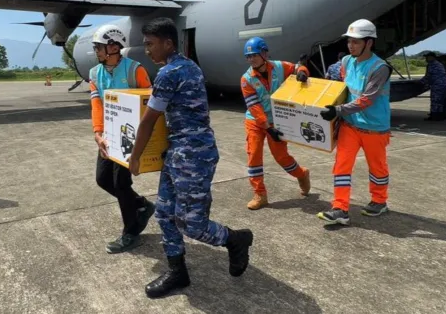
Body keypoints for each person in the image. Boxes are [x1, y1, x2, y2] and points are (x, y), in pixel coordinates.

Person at [127, 17, 254, 299]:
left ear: (167, 43)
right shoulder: (189, 66)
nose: (147, 50)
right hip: (179, 151)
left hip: (193, 156)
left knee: (192, 224)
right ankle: (178, 271)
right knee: (164, 213)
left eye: (150, 44)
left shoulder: (169, 73)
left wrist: (134, 158)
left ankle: (235, 239)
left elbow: (149, 120)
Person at [88, 24, 156, 254]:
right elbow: (96, 105)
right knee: (103, 179)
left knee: (120, 184)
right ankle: (142, 205)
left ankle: (131, 232)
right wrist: (98, 133)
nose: (96, 51)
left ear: (114, 46)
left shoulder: (134, 71)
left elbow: (150, 102)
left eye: (99, 47)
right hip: (108, 135)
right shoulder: (94, 73)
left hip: (130, 135)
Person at [316, 19, 392, 226]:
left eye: (356, 42)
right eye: (349, 41)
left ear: (369, 42)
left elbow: (367, 99)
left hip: (374, 128)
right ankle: (340, 208)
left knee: (377, 168)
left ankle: (379, 201)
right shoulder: (347, 62)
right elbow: (339, 84)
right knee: (341, 165)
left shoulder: (380, 68)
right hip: (350, 125)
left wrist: (337, 110)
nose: (351, 45)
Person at [240, 36, 311, 210]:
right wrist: (267, 128)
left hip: (278, 120)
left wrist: (303, 72)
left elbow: (296, 67)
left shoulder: (279, 67)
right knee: (254, 155)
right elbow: (254, 106)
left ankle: (301, 174)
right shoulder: (246, 79)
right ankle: (260, 194)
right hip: (255, 122)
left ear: (265, 53)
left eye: (254, 55)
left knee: (281, 157)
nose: (251, 59)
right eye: (248, 57)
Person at [419, 51, 446, 120]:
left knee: (435, 101)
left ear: (432, 57)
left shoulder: (432, 64)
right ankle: (440, 116)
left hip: (439, 85)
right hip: (444, 84)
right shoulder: (438, 64)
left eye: (427, 57)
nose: (426, 59)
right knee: (440, 101)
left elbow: (428, 76)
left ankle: (434, 116)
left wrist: (419, 82)